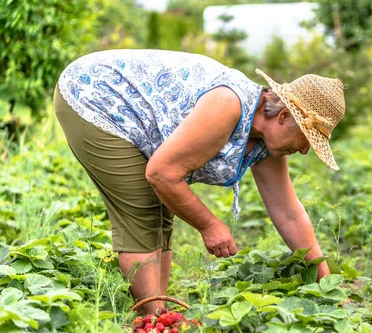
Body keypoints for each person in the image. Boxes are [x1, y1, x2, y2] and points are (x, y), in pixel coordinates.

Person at [53, 49, 346, 314]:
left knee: (161, 212)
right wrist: (209, 225)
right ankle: (154, 324)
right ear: (283, 116)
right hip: (95, 96)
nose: (306, 150)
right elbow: (162, 174)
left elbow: (289, 213)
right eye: (307, 139)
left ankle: (160, 313)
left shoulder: (267, 142)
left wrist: (327, 283)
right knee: (141, 211)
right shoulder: (228, 105)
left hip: (124, 107)